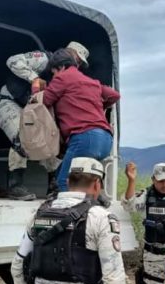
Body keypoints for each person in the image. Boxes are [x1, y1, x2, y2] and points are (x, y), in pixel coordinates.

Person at [0, 42, 91, 200]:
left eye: (80, 64)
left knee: (49, 140)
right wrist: (34, 78)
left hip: (34, 109)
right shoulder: (45, 59)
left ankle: (54, 186)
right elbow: (12, 60)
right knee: (22, 137)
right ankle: (15, 186)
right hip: (10, 102)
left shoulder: (68, 78)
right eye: (77, 60)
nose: (77, 65)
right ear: (70, 53)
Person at [41, 49, 120, 192]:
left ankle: (65, 206)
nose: (54, 76)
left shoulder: (63, 78)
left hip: (85, 139)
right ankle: (94, 199)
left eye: (54, 72)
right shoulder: (91, 81)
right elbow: (114, 95)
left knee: (64, 182)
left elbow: (45, 100)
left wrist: (36, 91)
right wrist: (97, 107)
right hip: (105, 140)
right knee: (75, 179)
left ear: (61, 67)